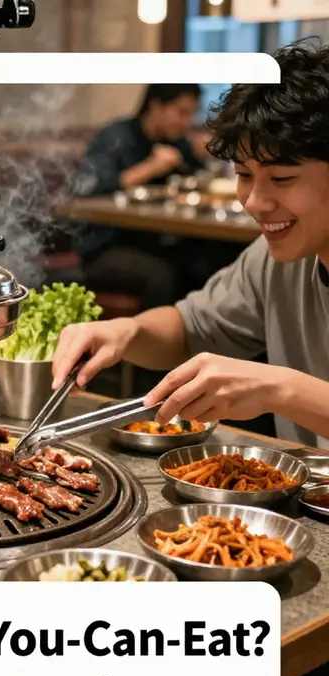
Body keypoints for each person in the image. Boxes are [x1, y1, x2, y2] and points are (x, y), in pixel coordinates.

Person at [52, 41, 329, 449]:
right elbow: (193, 328)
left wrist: (279, 389)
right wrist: (127, 331)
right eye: (243, 174)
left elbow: (277, 387)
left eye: (281, 179)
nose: (254, 201)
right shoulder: (275, 261)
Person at [71, 84, 209, 312]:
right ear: (155, 107)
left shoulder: (176, 141)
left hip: (155, 241)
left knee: (204, 264)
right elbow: (88, 189)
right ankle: (148, 345)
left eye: (191, 114)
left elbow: (197, 178)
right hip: (105, 246)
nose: (186, 122)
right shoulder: (115, 137)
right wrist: (150, 168)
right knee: (162, 275)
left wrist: (202, 154)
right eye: (181, 113)